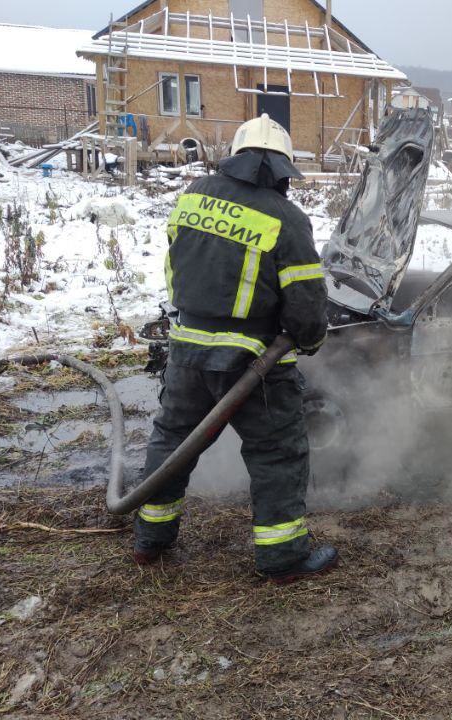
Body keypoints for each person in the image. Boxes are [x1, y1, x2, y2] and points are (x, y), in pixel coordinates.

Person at [132, 114, 337, 584]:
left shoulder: (194, 196)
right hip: (254, 361)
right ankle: (282, 556)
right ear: (282, 168)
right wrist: (310, 340)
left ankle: (151, 538)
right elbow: (306, 305)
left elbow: (177, 262)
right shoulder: (286, 218)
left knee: (173, 444)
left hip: (187, 348)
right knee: (276, 454)